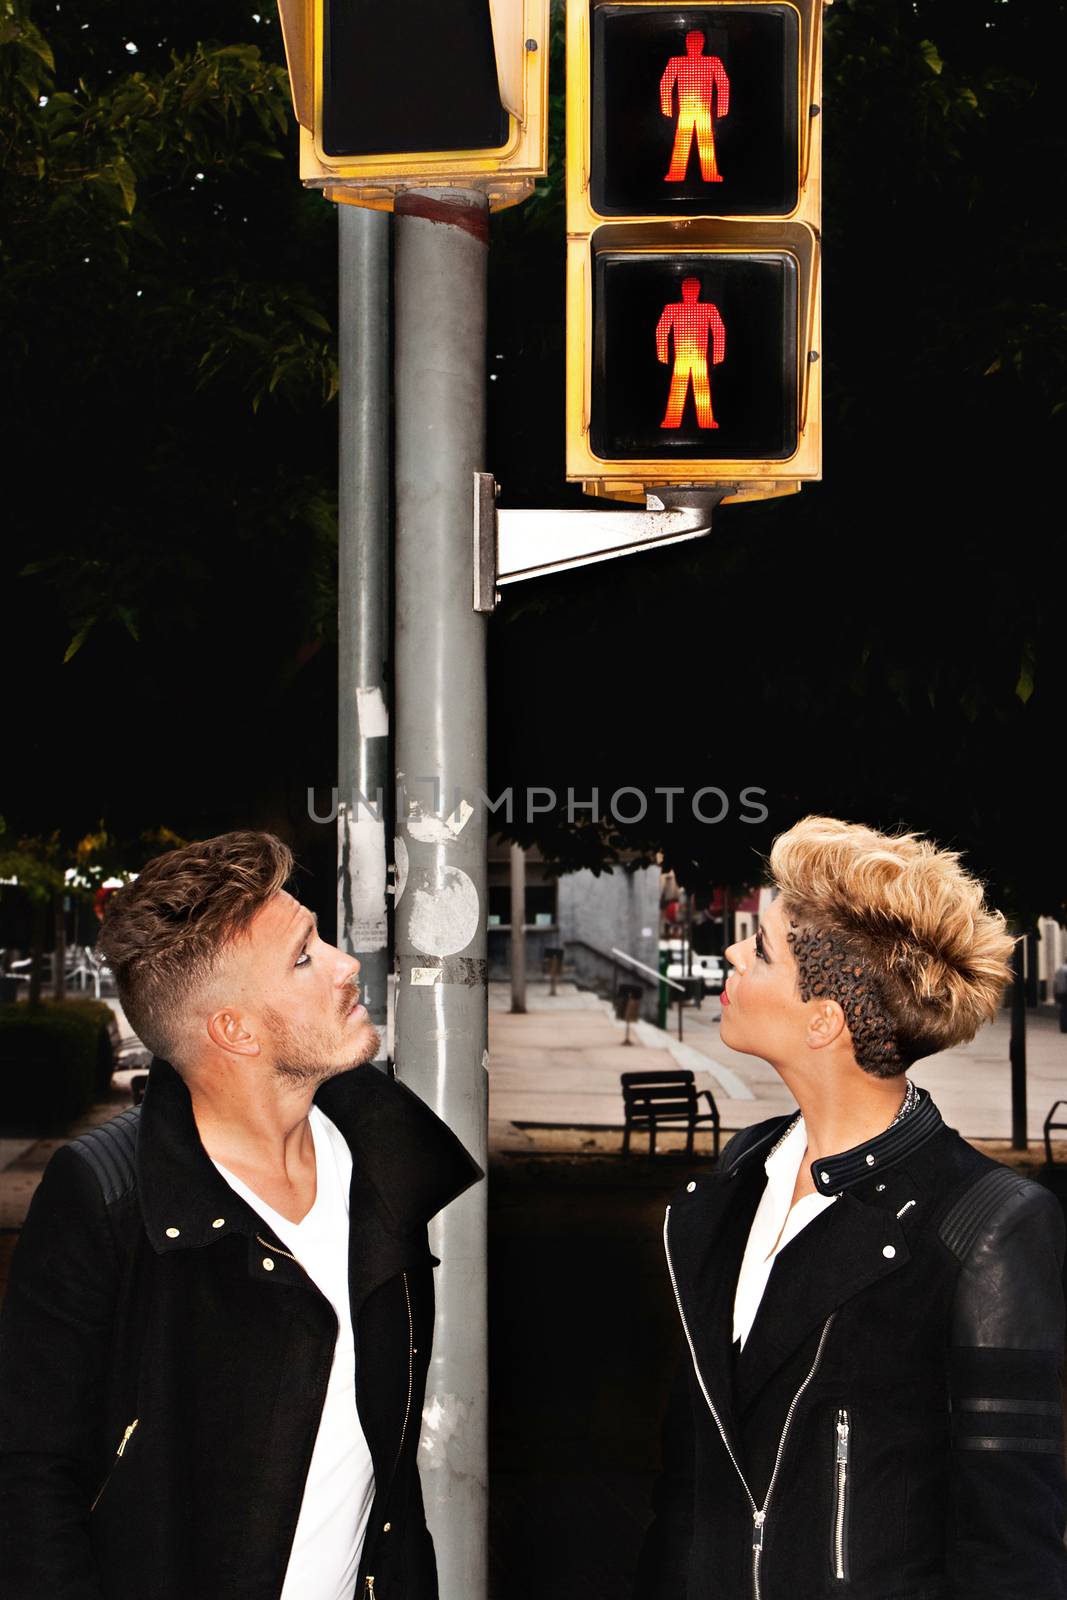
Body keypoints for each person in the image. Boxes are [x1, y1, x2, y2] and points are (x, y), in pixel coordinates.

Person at [0, 831, 480, 1600]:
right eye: (302, 956)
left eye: (320, 936)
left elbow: (384, 1474)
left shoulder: (382, 1157)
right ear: (234, 1029)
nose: (344, 963)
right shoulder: (106, 1197)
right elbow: (30, 1482)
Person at [636, 815, 1067, 1600]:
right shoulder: (725, 1189)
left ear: (822, 1019)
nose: (733, 951)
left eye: (760, 947)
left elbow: (1013, 1548)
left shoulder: (986, 1226)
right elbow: (689, 1488)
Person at [1054, 956, 1067, 1033]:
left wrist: (1055, 993)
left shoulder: (1059, 970)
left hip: (1059, 992)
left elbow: (1055, 983)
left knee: (1063, 1010)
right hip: (1066, 992)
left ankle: (1063, 1027)